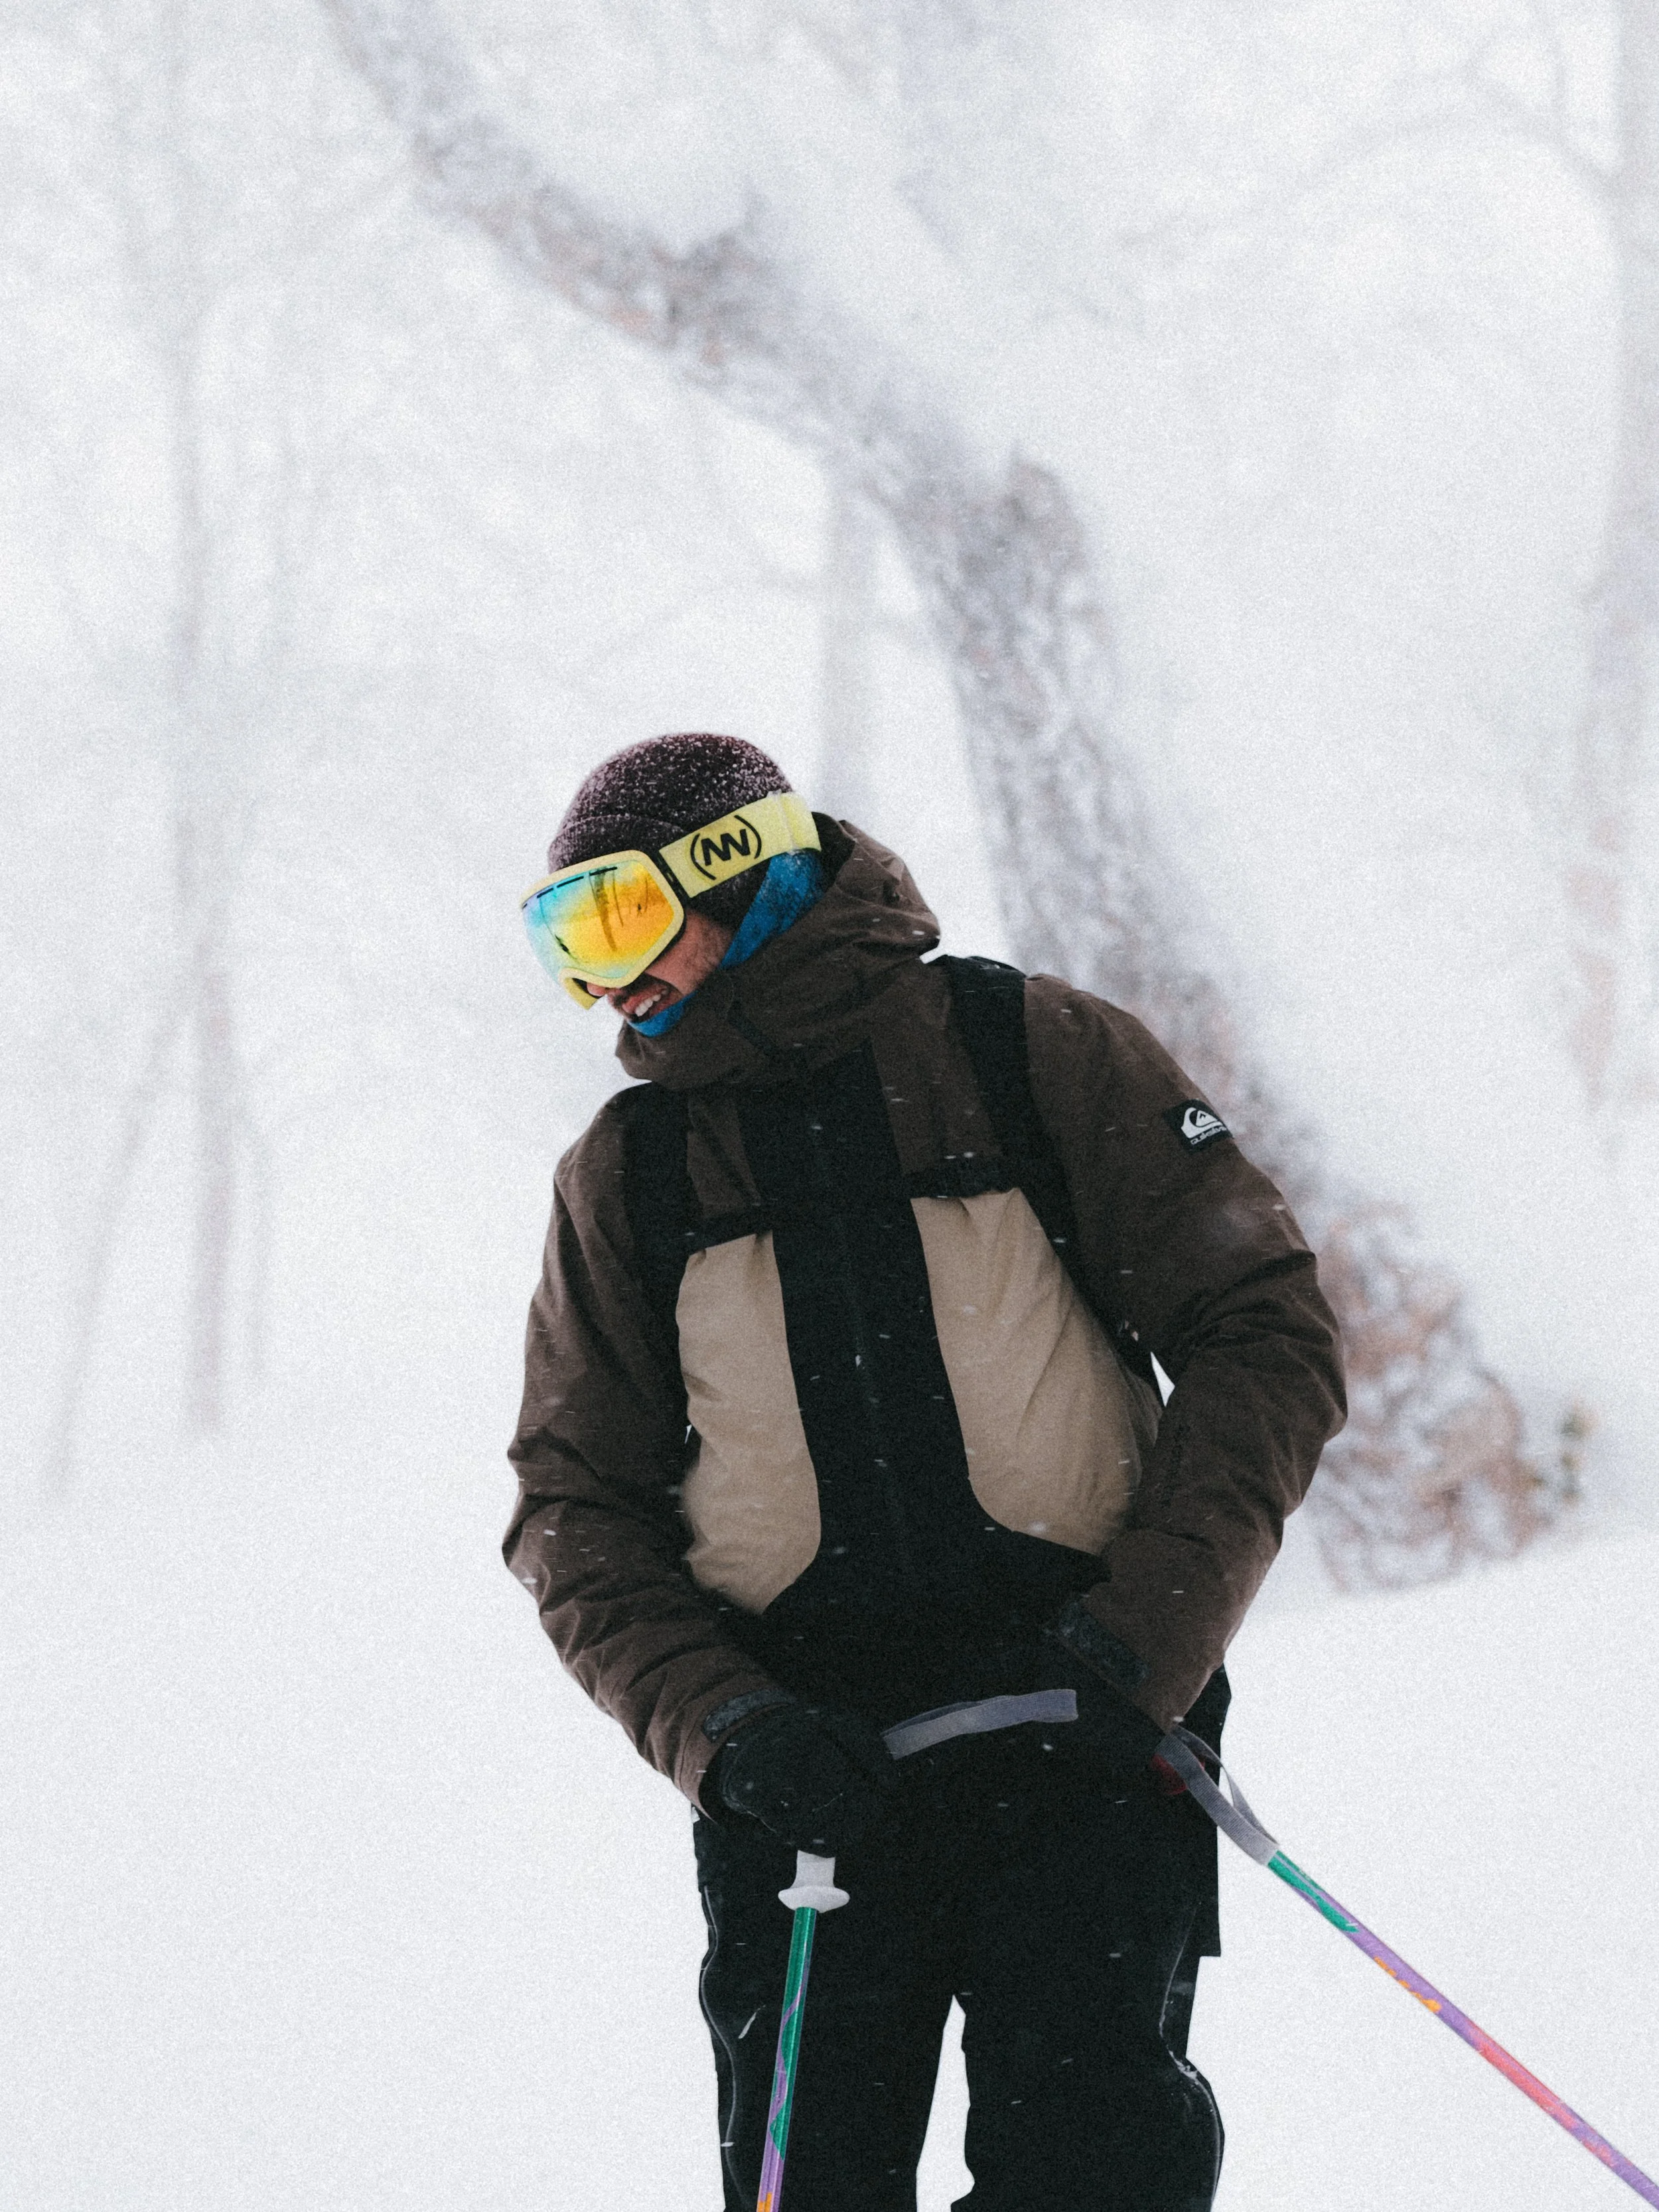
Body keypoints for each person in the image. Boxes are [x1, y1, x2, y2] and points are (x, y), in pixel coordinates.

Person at [506, 732, 1345, 2212]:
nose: (602, 981)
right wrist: (728, 1728)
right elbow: (572, 1510)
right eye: (563, 941)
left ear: (738, 875)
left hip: (1079, 1730)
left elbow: (1259, 1331)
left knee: (1094, 2175)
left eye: (617, 920)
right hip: (811, 1783)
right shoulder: (629, 1174)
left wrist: (1135, 1645)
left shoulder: (1027, 1051)